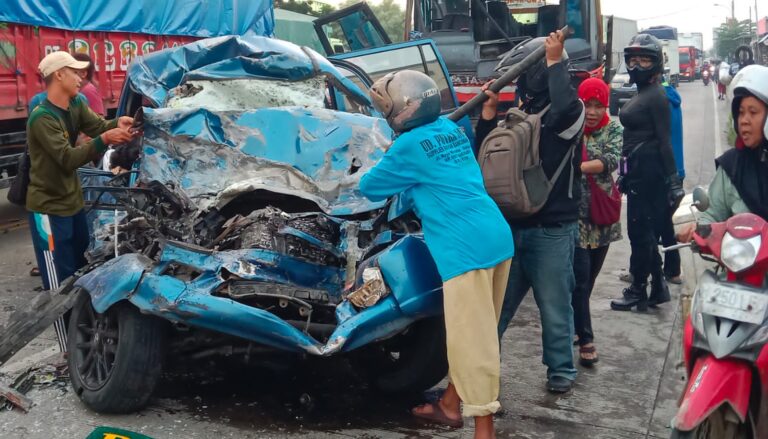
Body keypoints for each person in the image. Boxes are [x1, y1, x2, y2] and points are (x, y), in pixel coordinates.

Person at [358, 70, 514, 439]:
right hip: (494, 235)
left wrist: (385, 155)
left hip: (465, 249)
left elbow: (369, 187)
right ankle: (449, 404)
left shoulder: (408, 146)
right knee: (475, 331)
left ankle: (484, 430)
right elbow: (438, 180)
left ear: (400, 110)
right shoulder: (449, 129)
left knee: (471, 342)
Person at [478, 30, 586, 393]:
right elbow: (492, 163)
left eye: (525, 73)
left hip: (553, 228)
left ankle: (561, 371)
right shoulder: (521, 113)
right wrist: (488, 118)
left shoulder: (569, 112)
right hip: (512, 226)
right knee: (496, 309)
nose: (521, 81)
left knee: (555, 307)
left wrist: (555, 62)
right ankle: (479, 367)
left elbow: (564, 112)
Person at [26, 51, 136, 352]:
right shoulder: (42, 117)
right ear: (58, 75)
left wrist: (118, 122)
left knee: (79, 272)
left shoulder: (75, 103)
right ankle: (65, 352)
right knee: (58, 286)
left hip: (73, 205)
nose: (80, 77)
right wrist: (106, 140)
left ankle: (80, 345)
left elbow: (97, 127)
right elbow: (66, 158)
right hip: (48, 211)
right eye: (75, 72)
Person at [610, 34, 684, 312]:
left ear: (656, 64)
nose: (637, 65)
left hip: (650, 173)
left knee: (641, 233)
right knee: (644, 233)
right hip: (637, 172)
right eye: (632, 59)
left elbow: (665, 141)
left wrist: (673, 181)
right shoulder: (644, 93)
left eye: (644, 59)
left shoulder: (657, 97)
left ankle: (638, 289)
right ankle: (657, 288)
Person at [678, 65, 768, 239]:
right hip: (741, 262)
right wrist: (699, 229)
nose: (744, 121)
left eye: (753, 112)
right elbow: (712, 214)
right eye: (740, 113)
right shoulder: (732, 166)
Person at [572, 78, 622, 366]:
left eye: (596, 105)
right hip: (575, 217)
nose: (591, 111)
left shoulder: (613, 128)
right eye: (586, 105)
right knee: (579, 280)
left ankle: (577, 323)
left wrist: (577, 167)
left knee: (589, 280)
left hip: (602, 217)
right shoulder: (572, 128)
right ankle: (586, 338)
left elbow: (611, 160)